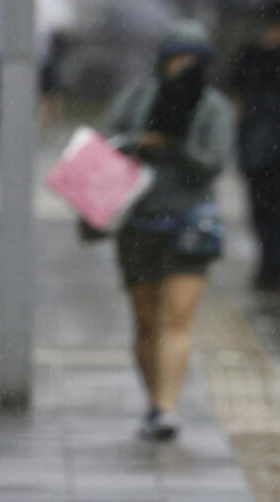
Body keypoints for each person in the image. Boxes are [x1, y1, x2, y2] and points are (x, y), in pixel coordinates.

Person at [100, 20, 235, 441]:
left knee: (176, 317)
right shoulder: (138, 96)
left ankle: (166, 407)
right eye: (178, 57)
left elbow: (215, 162)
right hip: (139, 221)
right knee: (145, 320)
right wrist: (138, 143)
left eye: (193, 59)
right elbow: (105, 141)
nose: (184, 66)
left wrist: (176, 147)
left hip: (190, 222)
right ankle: (153, 398)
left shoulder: (213, 106)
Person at [230, 1, 280, 291]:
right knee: (261, 210)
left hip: (262, 145)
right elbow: (238, 95)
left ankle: (272, 264)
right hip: (258, 148)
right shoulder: (251, 55)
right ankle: (269, 264)